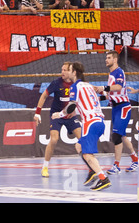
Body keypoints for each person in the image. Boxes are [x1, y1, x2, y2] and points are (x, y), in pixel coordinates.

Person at [52, 62, 111, 191]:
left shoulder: (75, 86)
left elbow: (72, 106)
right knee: (79, 146)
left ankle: (103, 178)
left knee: (87, 154)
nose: (67, 72)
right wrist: (76, 111)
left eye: (69, 70)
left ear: (74, 73)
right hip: (99, 121)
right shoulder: (89, 86)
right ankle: (92, 170)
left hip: (91, 123)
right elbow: (98, 99)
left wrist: (60, 114)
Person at [34, 62, 81, 177]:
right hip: (56, 115)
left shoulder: (77, 84)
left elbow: (81, 99)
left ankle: (91, 168)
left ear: (72, 72)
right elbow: (44, 95)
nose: (63, 72)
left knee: (83, 139)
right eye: (62, 69)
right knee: (54, 139)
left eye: (65, 70)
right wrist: (37, 113)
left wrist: (75, 111)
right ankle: (45, 167)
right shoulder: (56, 83)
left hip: (70, 116)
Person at [94, 51, 138, 174]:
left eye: (108, 58)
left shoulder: (118, 72)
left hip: (123, 107)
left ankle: (116, 165)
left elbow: (118, 87)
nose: (106, 60)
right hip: (116, 108)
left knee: (117, 136)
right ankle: (135, 160)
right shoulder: (111, 74)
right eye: (106, 58)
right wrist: (99, 98)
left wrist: (104, 88)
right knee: (122, 135)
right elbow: (111, 95)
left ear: (115, 59)